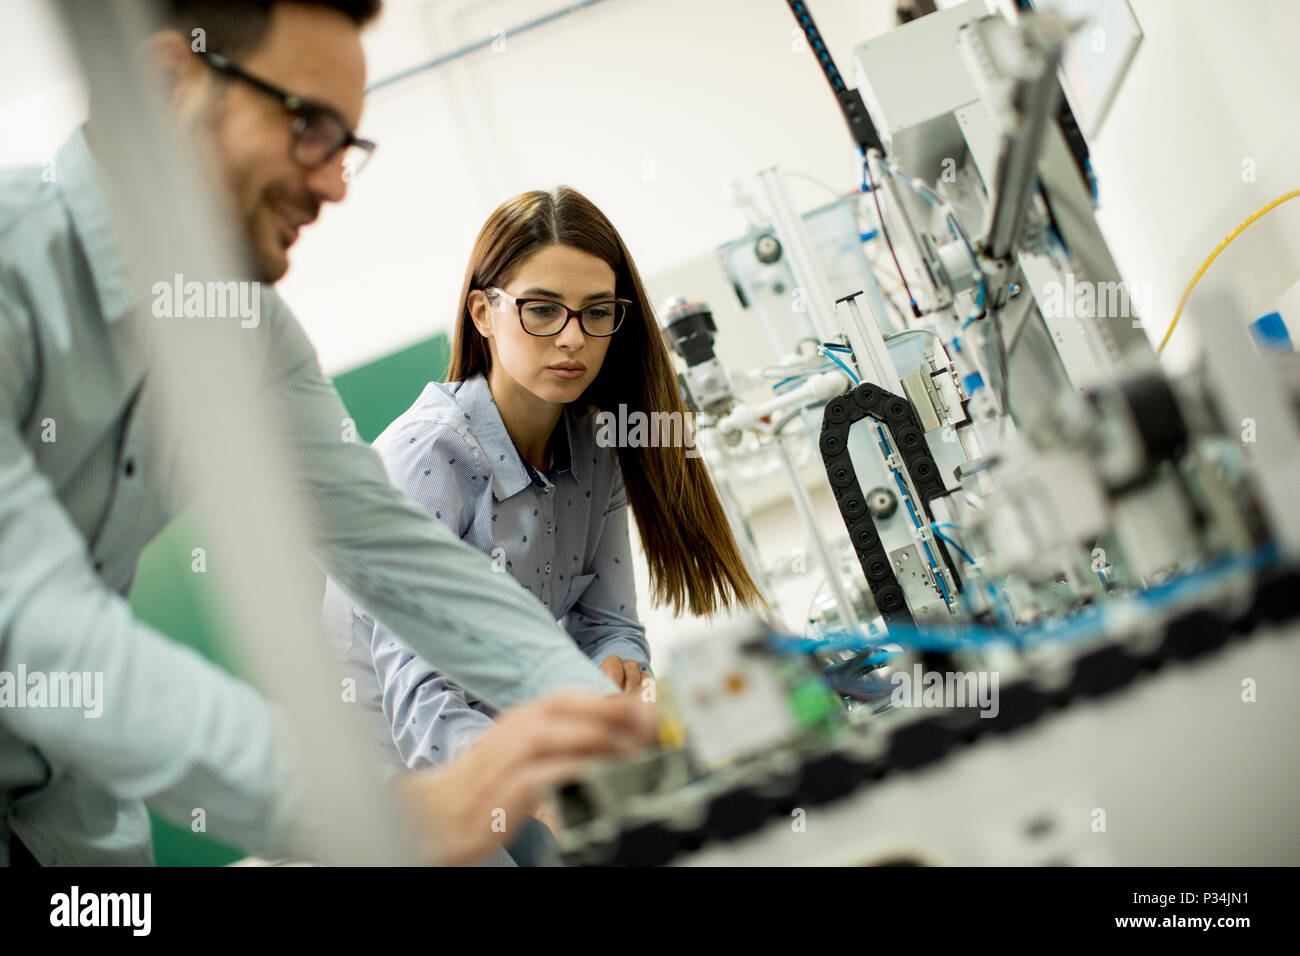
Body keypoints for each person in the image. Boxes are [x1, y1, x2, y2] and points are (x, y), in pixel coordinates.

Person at [0, 0, 654, 867]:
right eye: (308, 126)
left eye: (346, 144)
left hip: (75, 829)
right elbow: (32, 628)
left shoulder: (247, 333)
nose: (336, 183)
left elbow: (397, 553)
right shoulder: (14, 272)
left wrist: (599, 735)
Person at [323, 188, 764, 831]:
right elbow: (424, 712)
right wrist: (557, 796)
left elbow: (611, 625)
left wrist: (617, 671)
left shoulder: (595, 446)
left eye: (596, 313)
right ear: (483, 312)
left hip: (516, 750)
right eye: (542, 310)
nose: (572, 339)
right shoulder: (424, 464)